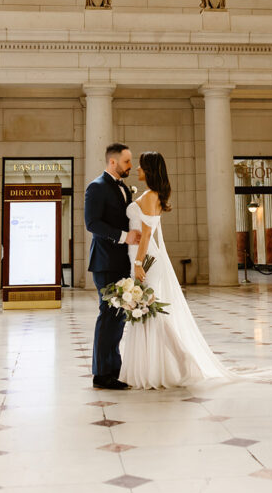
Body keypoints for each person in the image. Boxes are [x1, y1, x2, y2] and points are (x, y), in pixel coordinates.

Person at [121, 151, 236, 389]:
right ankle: (151, 367)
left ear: (150, 170)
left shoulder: (151, 196)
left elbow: (147, 234)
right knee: (144, 312)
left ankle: (184, 359)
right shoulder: (148, 195)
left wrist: (139, 263)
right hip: (139, 257)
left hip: (147, 260)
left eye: (141, 167)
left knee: (149, 310)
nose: (137, 170)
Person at [85, 143, 141, 389]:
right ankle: (101, 375)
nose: (130, 165)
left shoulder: (124, 188)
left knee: (118, 316)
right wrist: (123, 236)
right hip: (105, 262)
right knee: (108, 316)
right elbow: (92, 223)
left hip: (121, 262)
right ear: (113, 162)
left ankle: (113, 369)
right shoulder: (96, 187)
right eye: (127, 161)